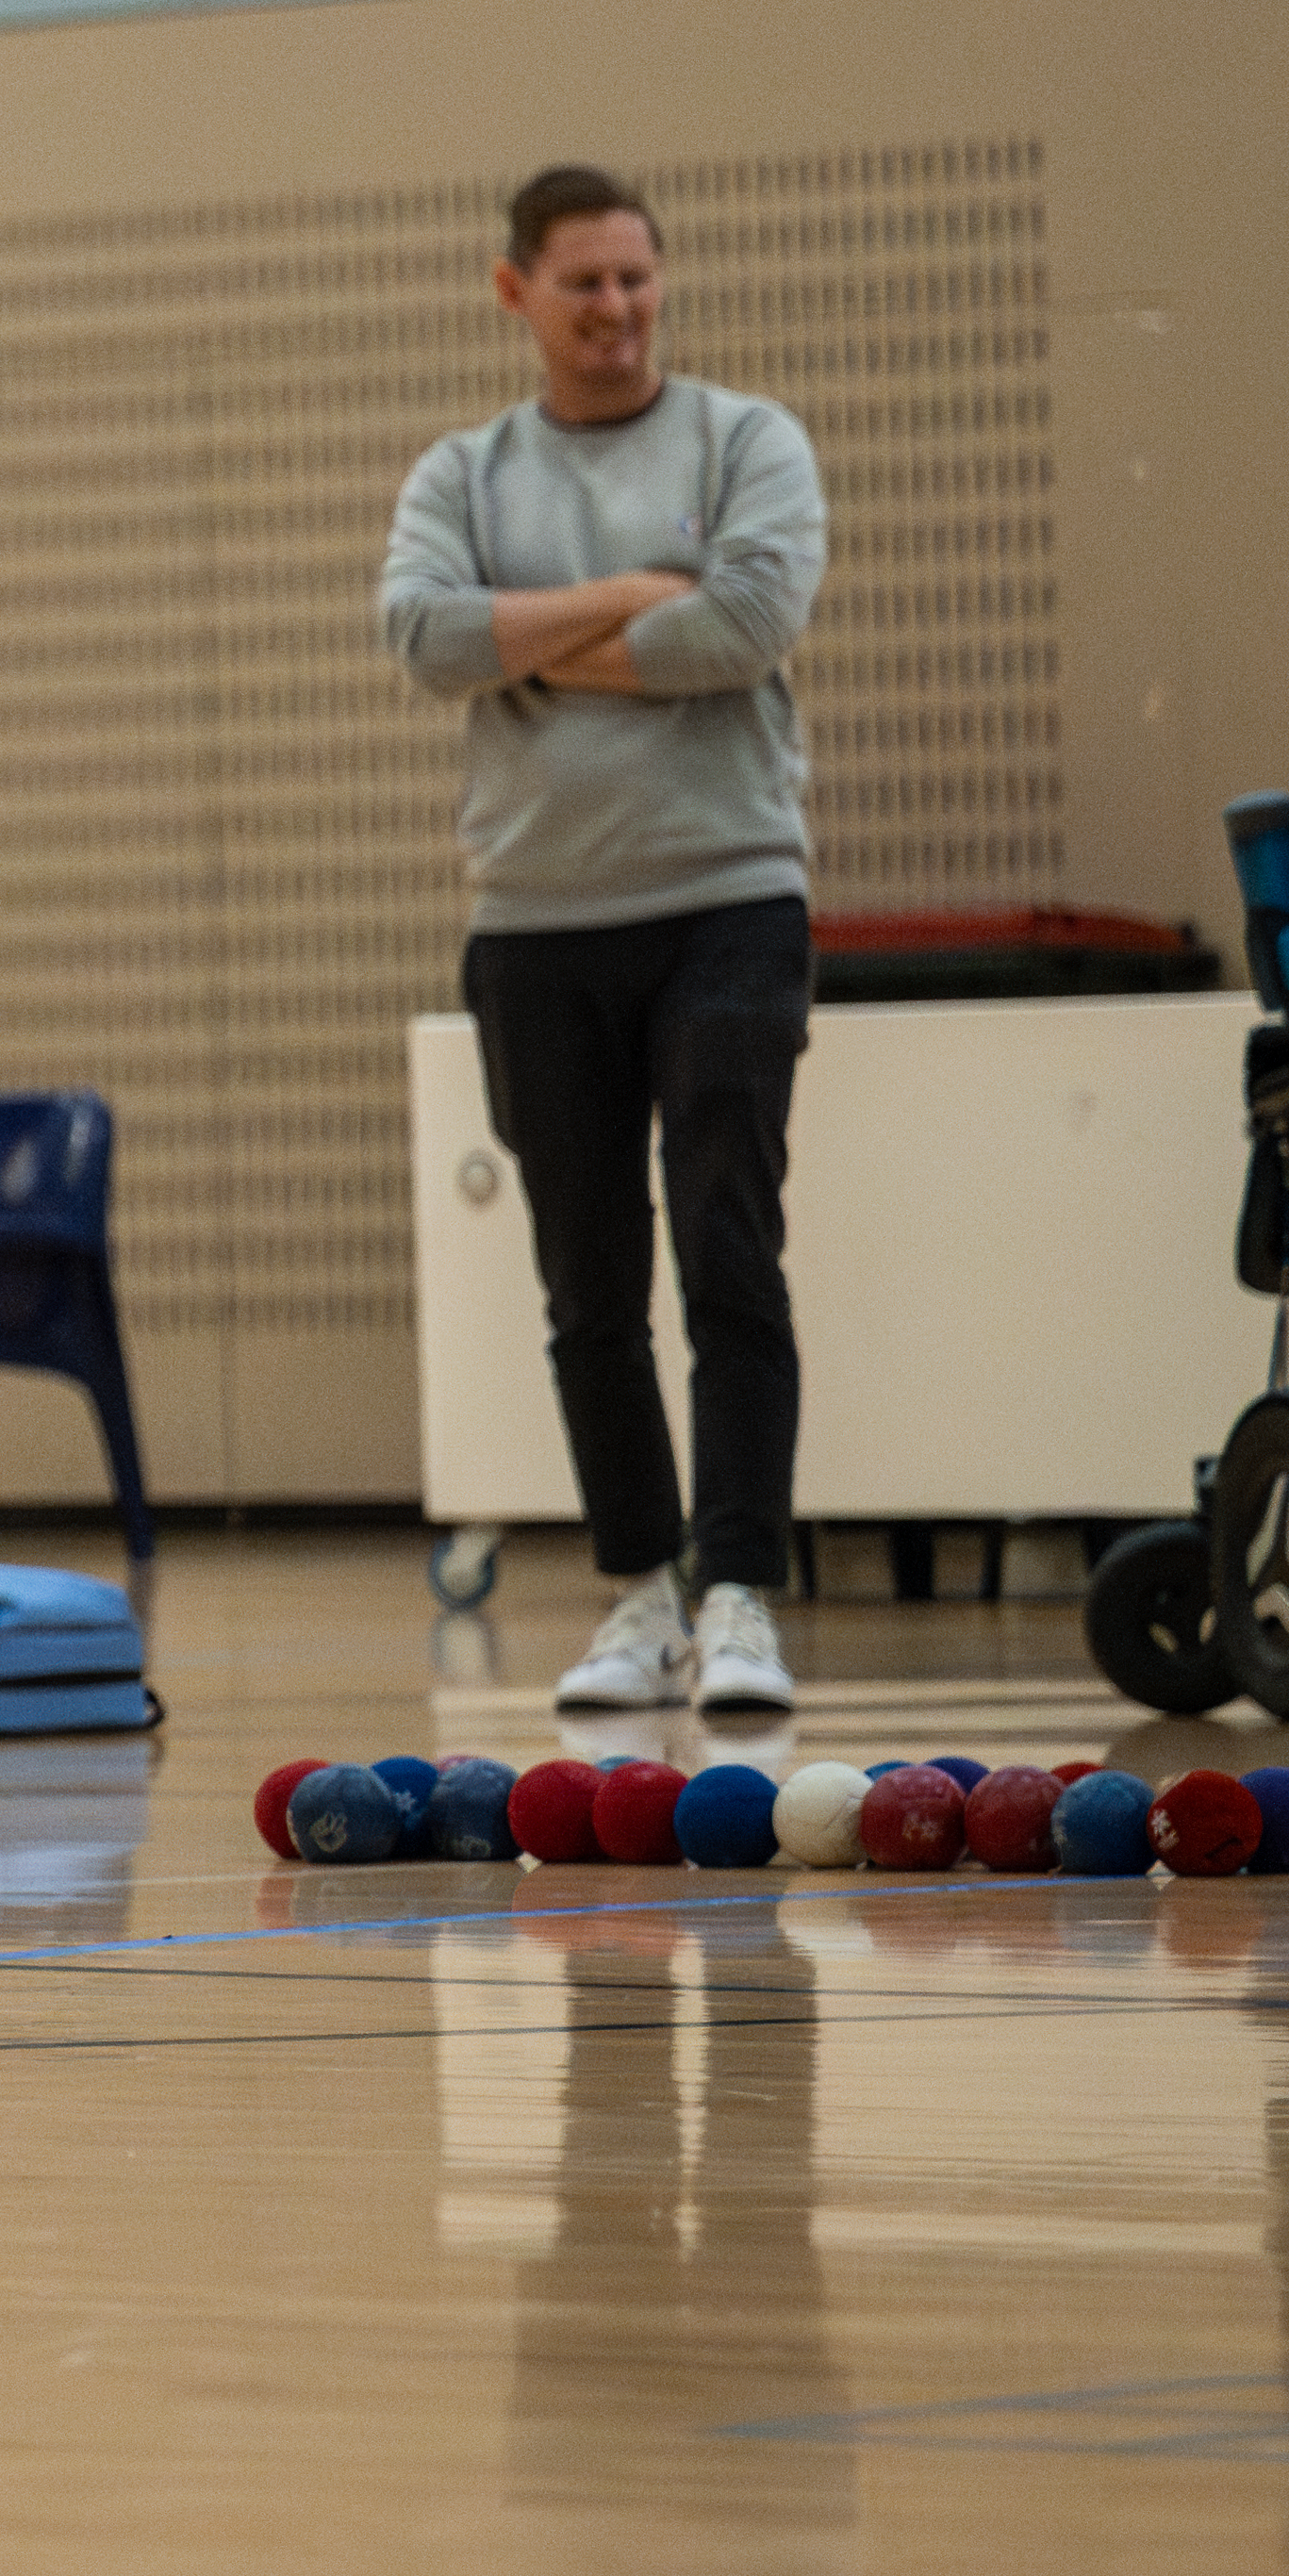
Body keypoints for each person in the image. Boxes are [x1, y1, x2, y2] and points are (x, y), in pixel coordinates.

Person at [380, 167, 831, 1722]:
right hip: (535, 924)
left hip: (729, 902)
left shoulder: (744, 440)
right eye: (584, 282)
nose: (617, 308)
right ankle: (640, 1588)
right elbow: (425, 635)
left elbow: (746, 623)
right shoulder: (464, 471)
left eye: (637, 277)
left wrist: (530, 633)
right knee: (587, 1280)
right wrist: (639, 596)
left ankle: (740, 1591)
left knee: (727, 1244)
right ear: (516, 290)